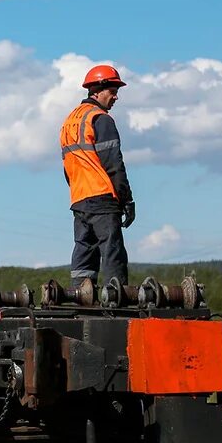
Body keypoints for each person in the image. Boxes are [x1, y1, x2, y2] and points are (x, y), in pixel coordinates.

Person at [60, 64, 135, 288]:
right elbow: (114, 164)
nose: (115, 98)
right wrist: (126, 199)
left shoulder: (70, 121)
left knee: (84, 252)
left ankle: (80, 298)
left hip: (79, 198)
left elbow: (68, 166)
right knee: (112, 253)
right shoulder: (100, 119)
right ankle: (116, 300)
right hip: (102, 196)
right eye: (112, 92)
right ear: (98, 90)